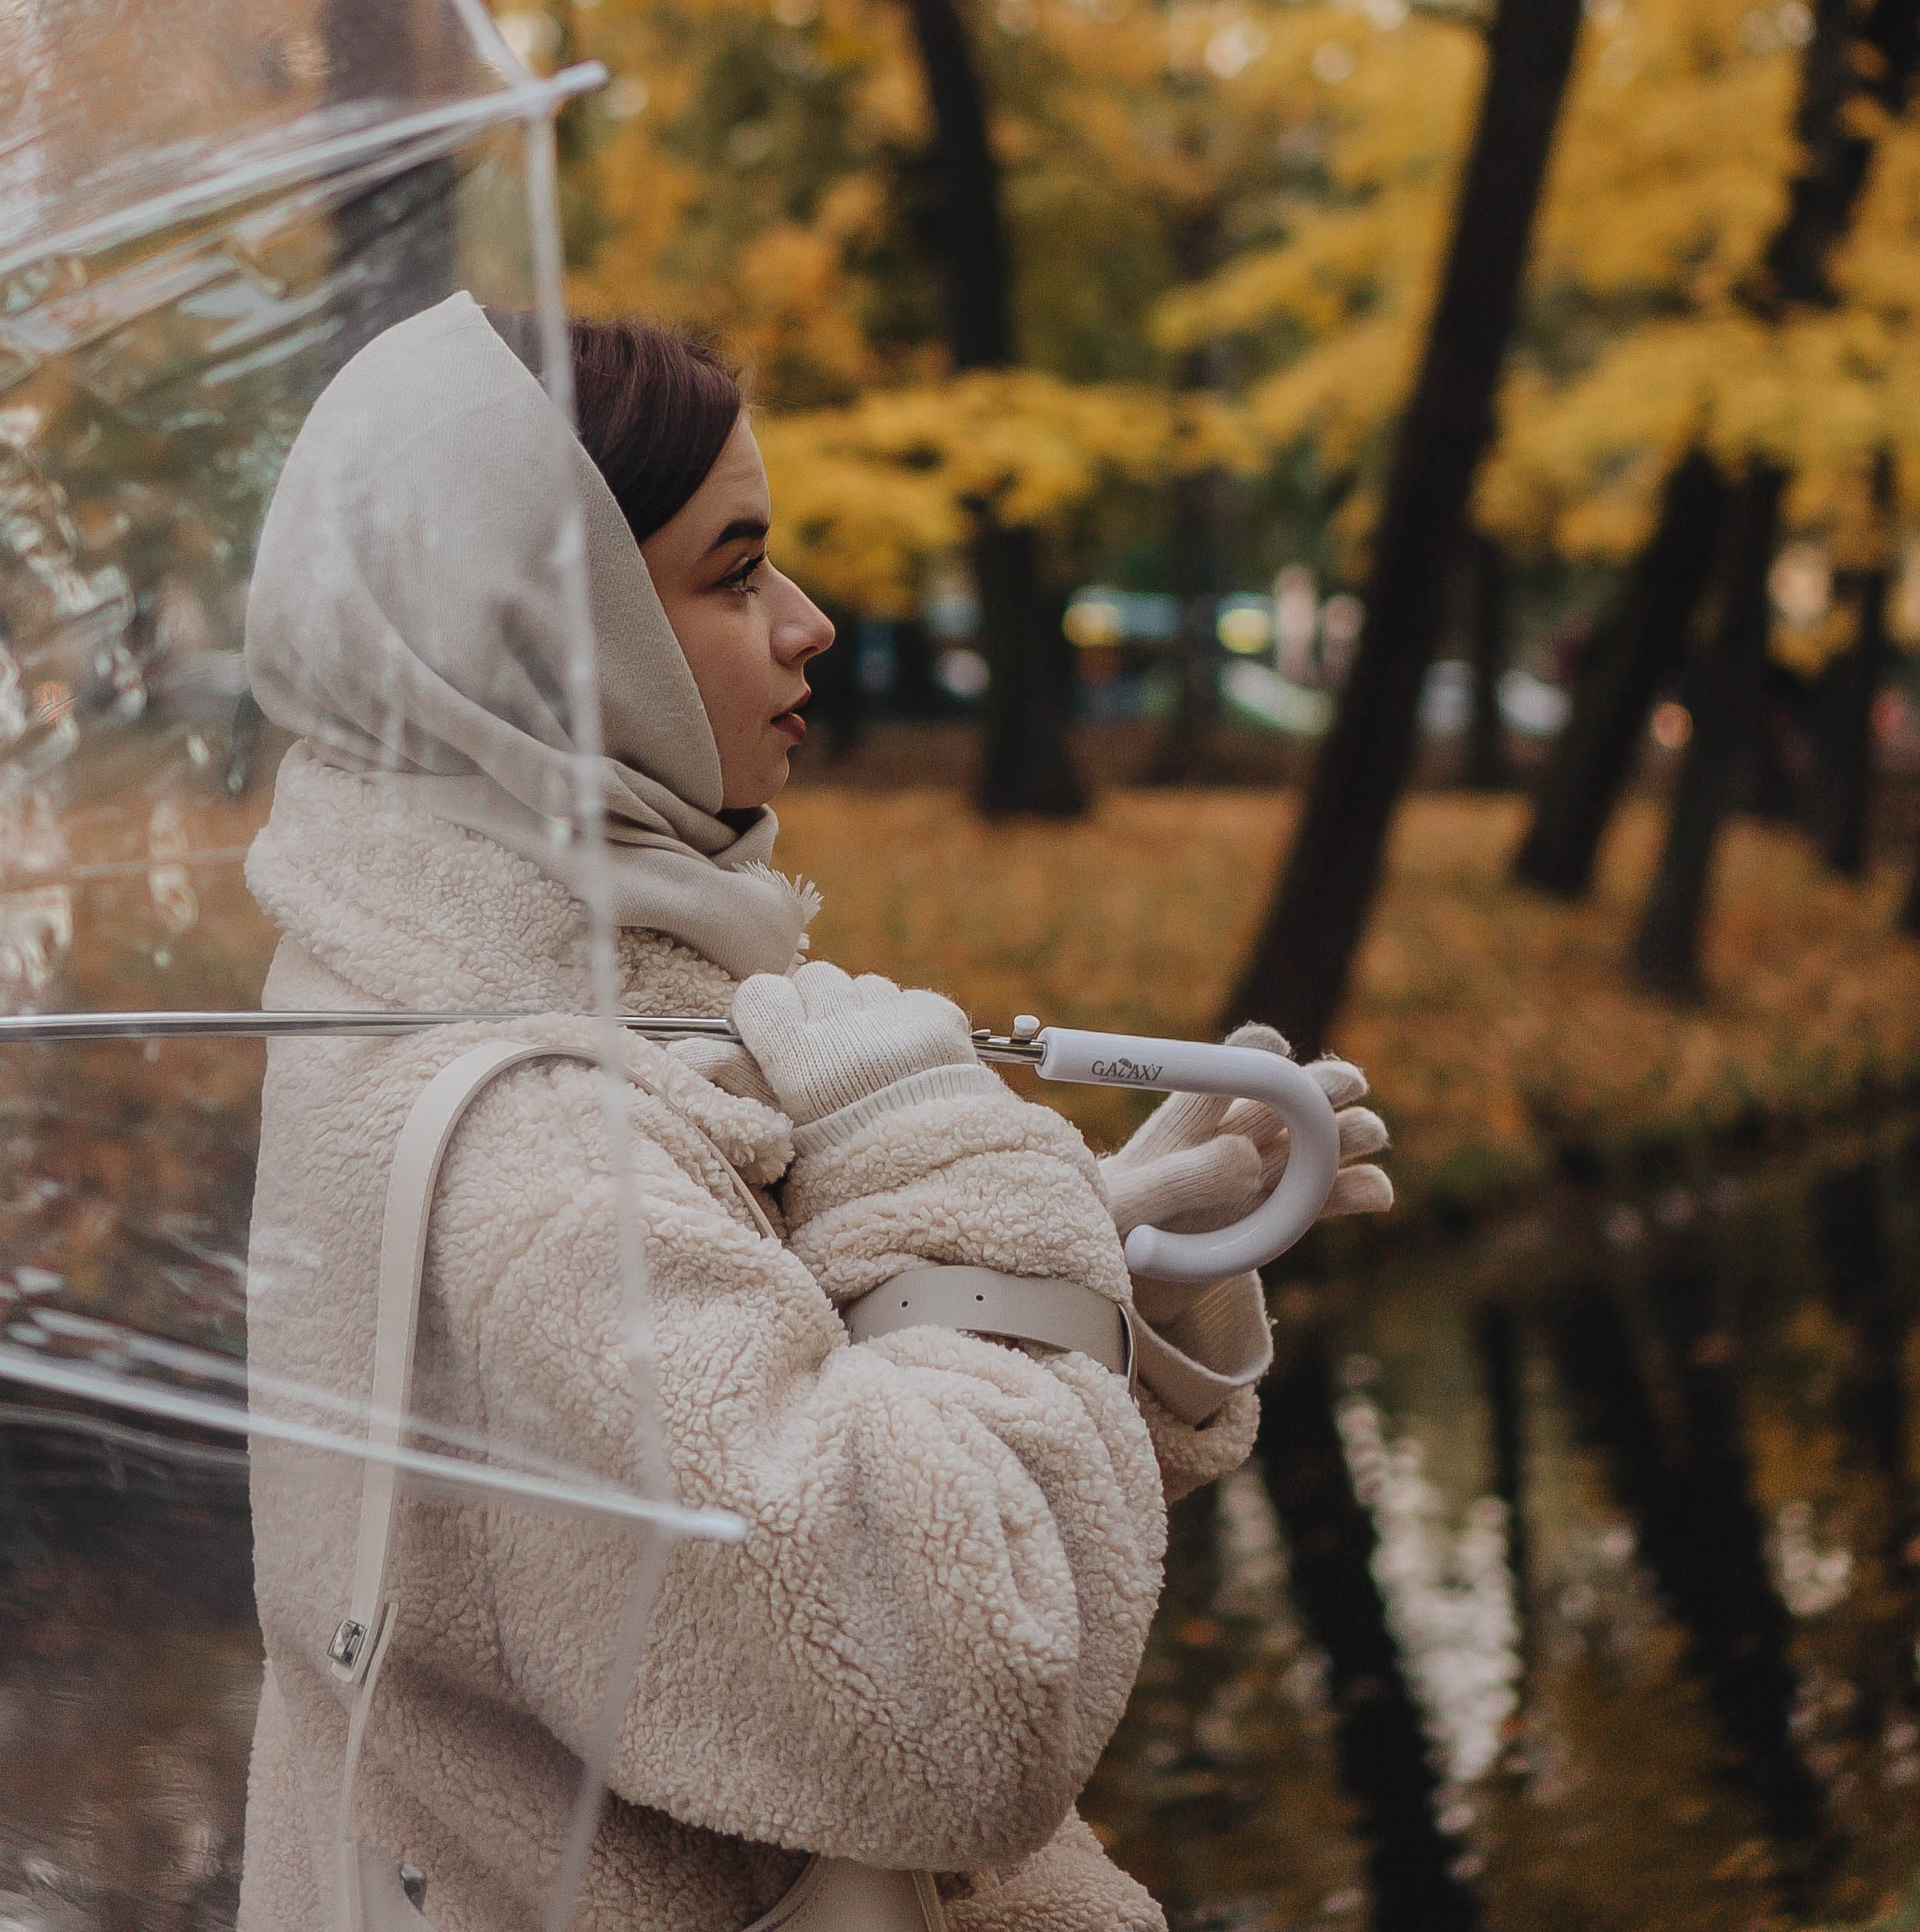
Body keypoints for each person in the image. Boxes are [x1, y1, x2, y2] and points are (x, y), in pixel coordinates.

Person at [236, 294, 1389, 1932]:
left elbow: (731, 1552)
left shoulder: (518, 985)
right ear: (547, 633)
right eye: (733, 570)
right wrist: (951, 1169)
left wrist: (1097, 1273)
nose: (812, 622)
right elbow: (955, 1686)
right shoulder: (540, 1135)